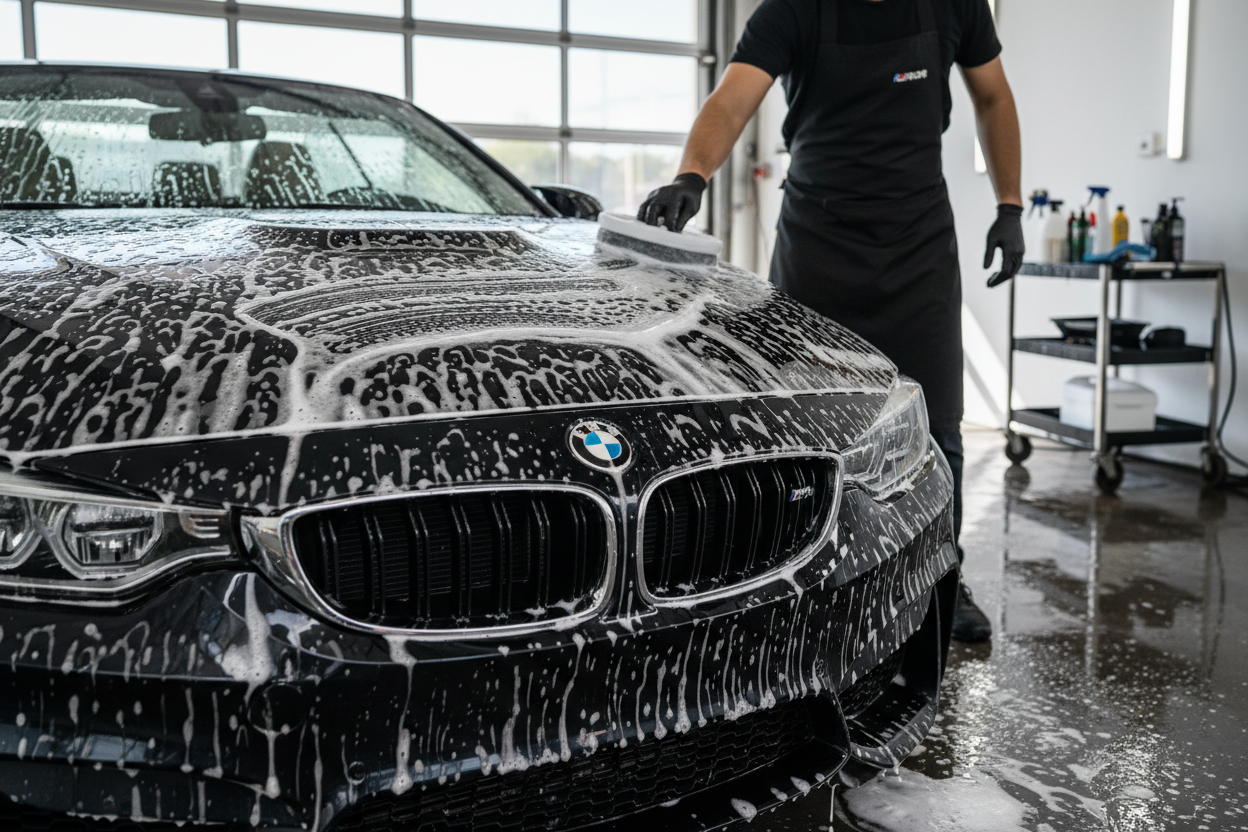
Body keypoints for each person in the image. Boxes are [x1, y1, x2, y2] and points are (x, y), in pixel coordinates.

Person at [637, 0, 1024, 643]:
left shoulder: (956, 4)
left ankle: (942, 580)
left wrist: (1009, 203)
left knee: (939, 429)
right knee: (798, 425)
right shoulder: (793, 11)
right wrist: (692, 174)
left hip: (917, 243)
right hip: (820, 239)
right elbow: (733, 99)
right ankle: (792, 579)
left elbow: (994, 97)